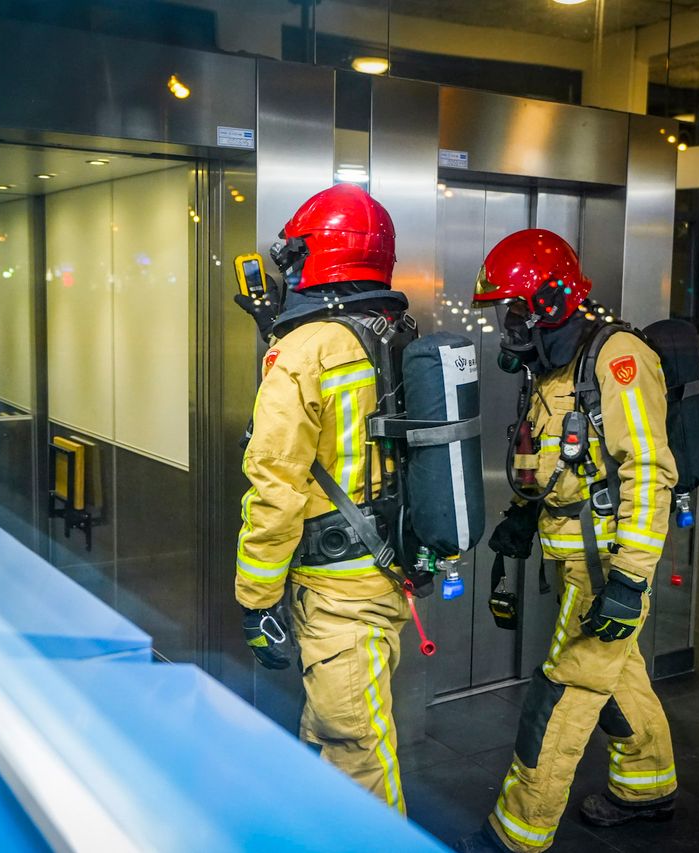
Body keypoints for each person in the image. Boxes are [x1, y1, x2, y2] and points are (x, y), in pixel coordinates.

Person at [456, 229, 679, 852]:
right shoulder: (554, 367)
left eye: (514, 310)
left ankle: (516, 833)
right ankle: (647, 785)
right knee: (620, 671)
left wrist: (631, 580)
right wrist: (522, 519)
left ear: (549, 301)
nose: (508, 325)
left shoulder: (615, 359)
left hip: (606, 566)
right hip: (571, 555)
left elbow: (648, 471)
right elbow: (553, 462)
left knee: (567, 689)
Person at [233, 183, 412, 813]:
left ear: (321, 255)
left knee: (354, 745)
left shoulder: (305, 351)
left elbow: (275, 485)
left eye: (296, 254)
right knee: (333, 730)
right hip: (385, 569)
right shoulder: (389, 330)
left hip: (337, 591)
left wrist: (257, 602)